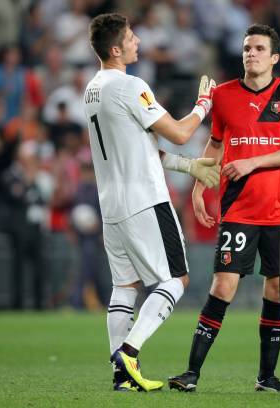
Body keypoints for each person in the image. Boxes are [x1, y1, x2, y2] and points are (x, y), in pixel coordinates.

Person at [83, 13, 219, 392]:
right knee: (175, 280)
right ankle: (129, 350)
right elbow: (178, 132)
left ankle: (120, 376)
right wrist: (204, 104)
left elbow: (141, 148)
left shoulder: (92, 89)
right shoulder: (130, 86)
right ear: (115, 49)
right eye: (130, 37)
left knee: (125, 286)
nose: (138, 41)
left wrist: (189, 166)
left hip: (112, 206)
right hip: (145, 201)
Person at [169, 24, 280, 393]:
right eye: (247, 48)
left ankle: (267, 378)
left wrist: (252, 162)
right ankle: (191, 373)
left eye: (259, 48)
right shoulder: (224, 95)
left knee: (277, 290)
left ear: (274, 57)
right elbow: (215, 145)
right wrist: (199, 186)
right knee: (223, 286)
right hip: (239, 210)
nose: (251, 54)